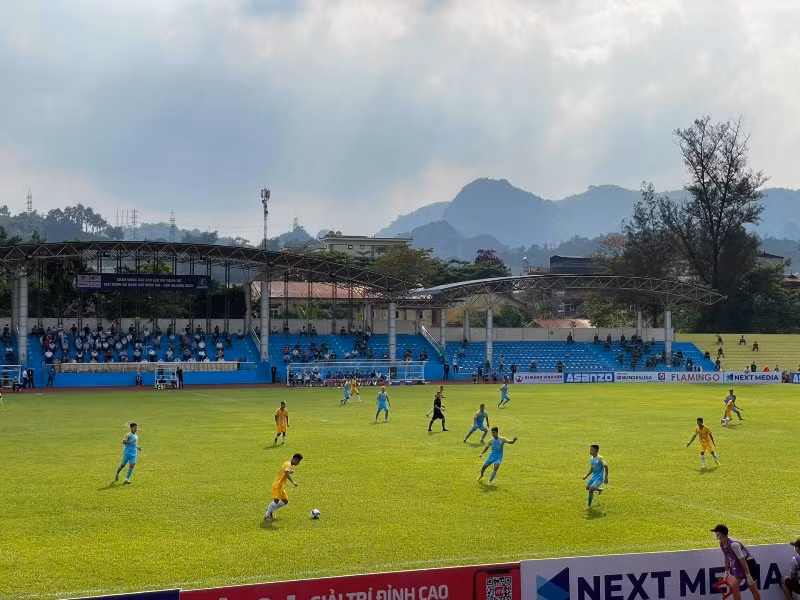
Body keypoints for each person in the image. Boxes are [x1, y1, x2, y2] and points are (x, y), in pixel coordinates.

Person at [711, 524, 762, 600]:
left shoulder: (734, 545)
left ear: (720, 534)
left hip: (748, 563)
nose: (715, 534)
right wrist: (727, 571)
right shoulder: (721, 543)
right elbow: (727, 558)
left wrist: (748, 575)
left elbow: (742, 559)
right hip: (738, 564)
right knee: (734, 586)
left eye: (716, 532)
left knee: (752, 587)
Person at [264, 453, 303, 522]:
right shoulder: (288, 465)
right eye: (298, 461)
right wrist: (293, 482)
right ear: (295, 459)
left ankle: (270, 511)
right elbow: (286, 474)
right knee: (276, 500)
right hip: (278, 485)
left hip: (281, 486)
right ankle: (267, 515)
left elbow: (285, 471)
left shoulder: (288, 463)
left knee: (285, 501)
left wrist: (290, 471)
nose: (298, 463)